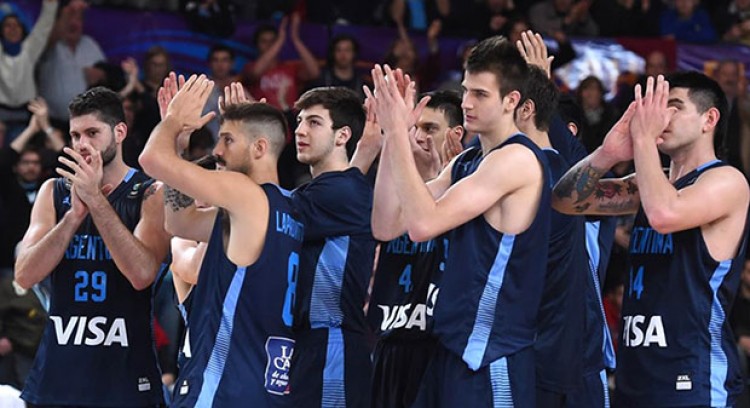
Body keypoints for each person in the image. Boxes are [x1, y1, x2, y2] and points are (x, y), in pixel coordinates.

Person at [370, 35, 551, 406]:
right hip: (451, 347)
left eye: (480, 94)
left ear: (511, 101)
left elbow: (422, 225)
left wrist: (400, 136)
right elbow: (387, 225)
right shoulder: (468, 161)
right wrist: (392, 136)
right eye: (466, 90)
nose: (466, 102)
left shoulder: (516, 159)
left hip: (491, 354)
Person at [552, 72, 750, 407]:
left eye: (674, 106)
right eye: (656, 106)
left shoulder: (727, 181)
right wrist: (607, 154)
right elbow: (564, 201)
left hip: (693, 379)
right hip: (636, 374)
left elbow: (664, 215)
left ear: (709, 119)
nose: (660, 116)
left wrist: (643, 139)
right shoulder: (647, 185)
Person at [139, 75, 302, 407]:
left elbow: (151, 159)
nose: (216, 150)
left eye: (227, 140)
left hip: (222, 385)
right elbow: (179, 222)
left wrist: (173, 122)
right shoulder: (288, 208)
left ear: (259, 148)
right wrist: (179, 146)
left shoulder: (246, 194)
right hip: (265, 384)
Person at [14, 86, 170, 406]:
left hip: (124, 377)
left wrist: (96, 201)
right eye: (75, 135)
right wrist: (73, 217)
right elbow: (24, 275)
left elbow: (142, 274)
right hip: (59, 375)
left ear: (119, 132)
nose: (81, 144)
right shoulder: (53, 191)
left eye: (92, 133)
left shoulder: (149, 193)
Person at [366, 88, 462, 408]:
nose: (419, 137)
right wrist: (393, 136)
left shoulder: (467, 187)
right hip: (389, 341)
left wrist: (440, 173)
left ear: (455, 134)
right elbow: (382, 228)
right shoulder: (391, 187)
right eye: (414, 128)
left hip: (437, 346)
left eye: (430, 128)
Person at [288, 86, 376, 407]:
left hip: (332, 344)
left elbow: (262, 210)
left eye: (313, 122)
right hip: (308, 345)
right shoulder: (332, 188)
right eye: (299, 121)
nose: (300, 130)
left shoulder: (342, 193)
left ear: (342, 136)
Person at [0, 0, 57, 133]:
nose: (13, 29)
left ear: (22, 29)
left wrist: (50, 4)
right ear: (1, 30)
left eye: (17, 25)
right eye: (8, 25)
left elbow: (44, 26)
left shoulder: (29, 50)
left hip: (26, 114)